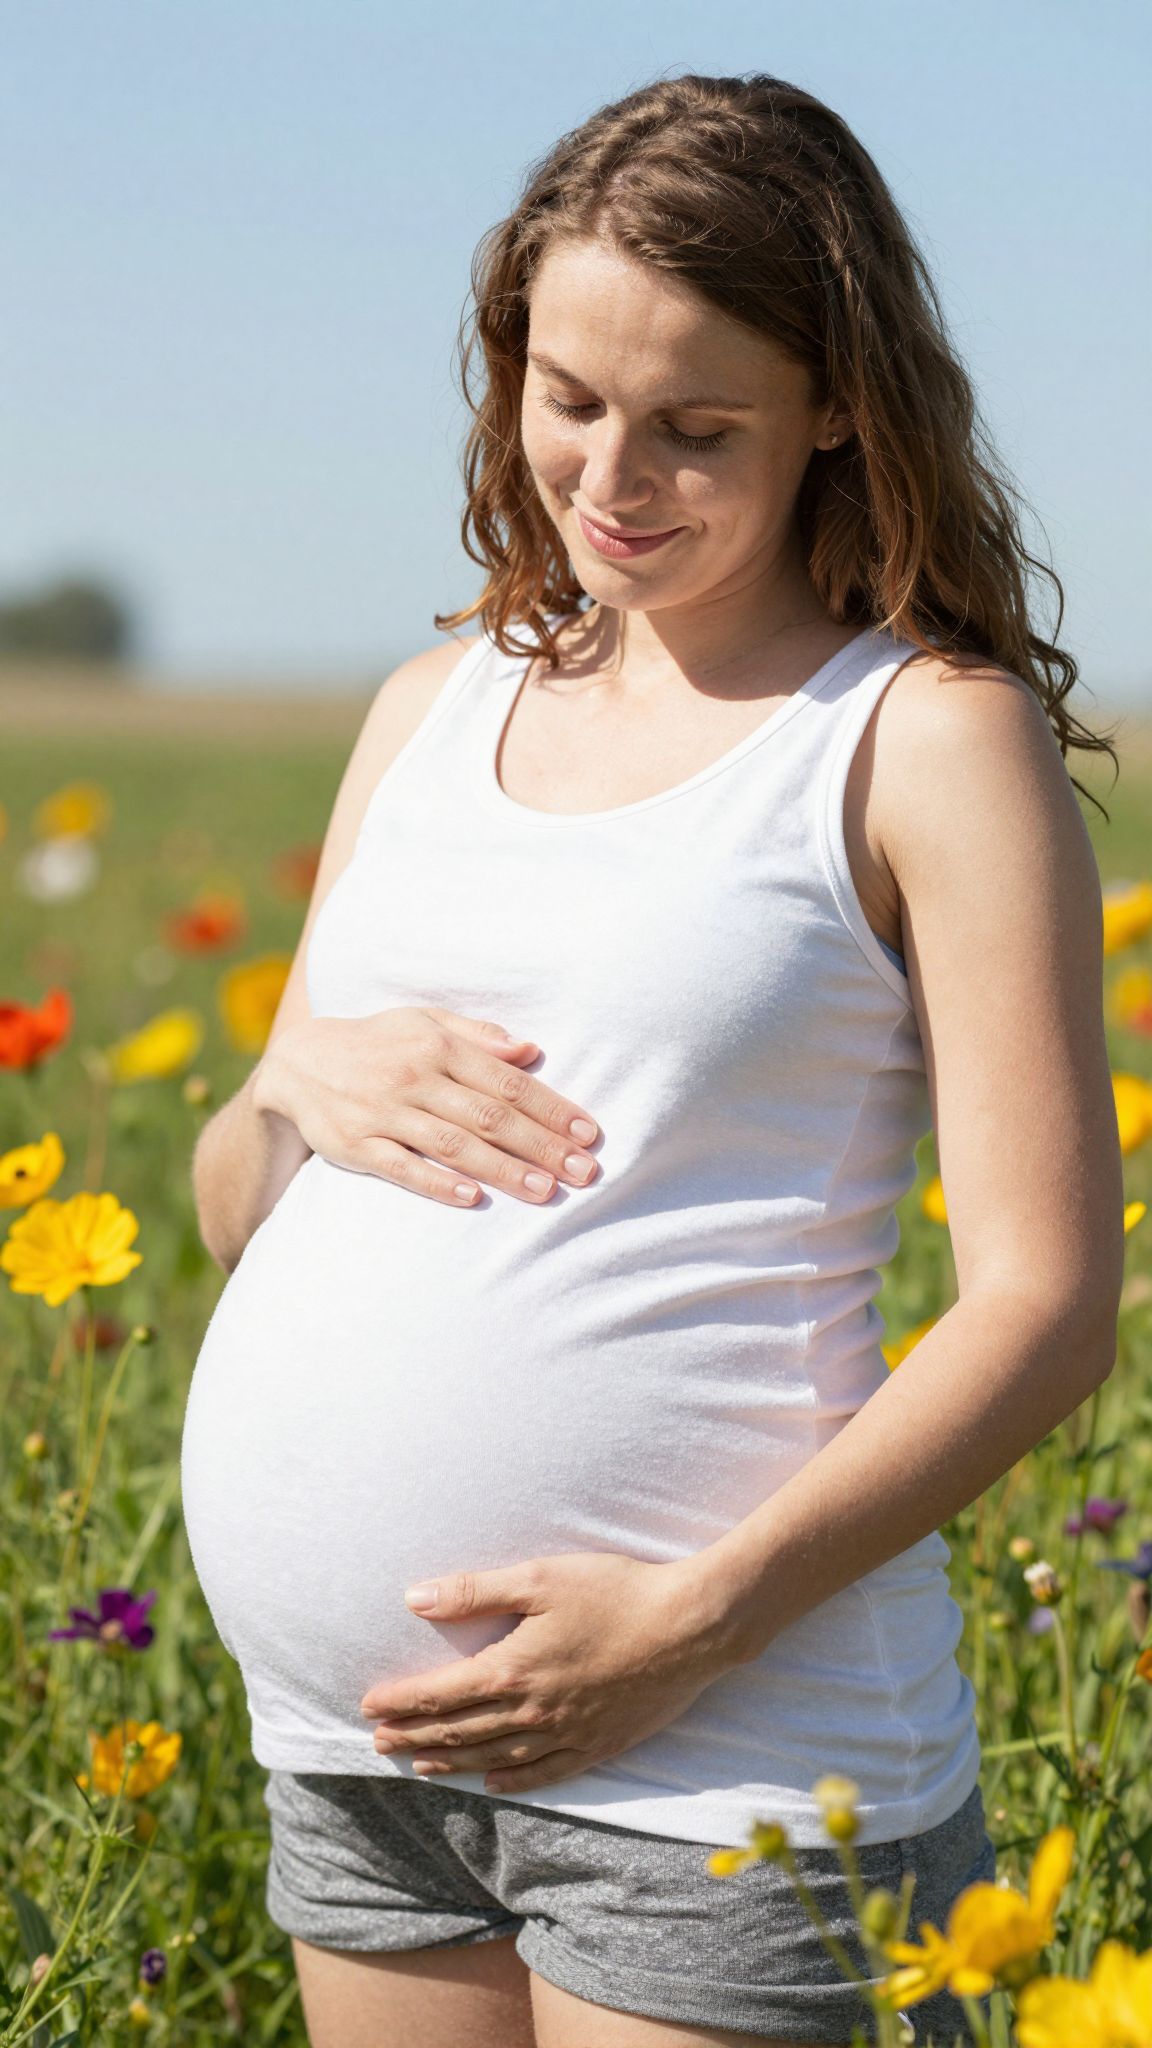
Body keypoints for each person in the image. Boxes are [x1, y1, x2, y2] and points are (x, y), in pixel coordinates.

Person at [181, 71, 1125, 2048]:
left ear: (840, 404)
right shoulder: (427, 711)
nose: (611, 477)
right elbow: (236, 1206)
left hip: (724, 1751)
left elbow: (1046, 1308)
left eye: (699, 430)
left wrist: (689, 1623)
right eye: (568, 399)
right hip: (363, 1759)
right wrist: (284, 1094)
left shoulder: (920, 737)